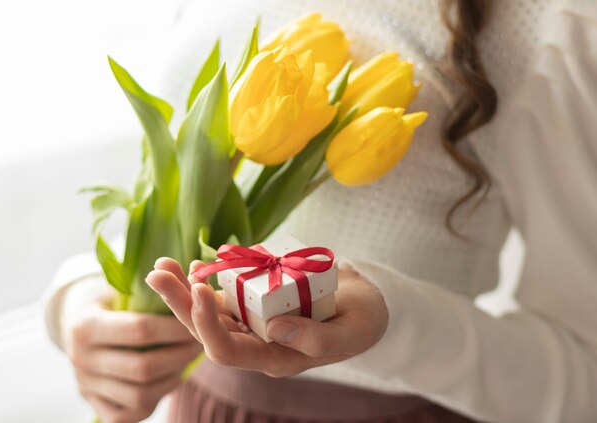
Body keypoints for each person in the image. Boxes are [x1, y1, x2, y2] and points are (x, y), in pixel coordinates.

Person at [44, 0, 597, 422]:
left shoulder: (545, 24)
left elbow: (584, 371)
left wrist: (393, 323)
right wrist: (83, 301)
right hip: (199, 404)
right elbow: (175, 184)